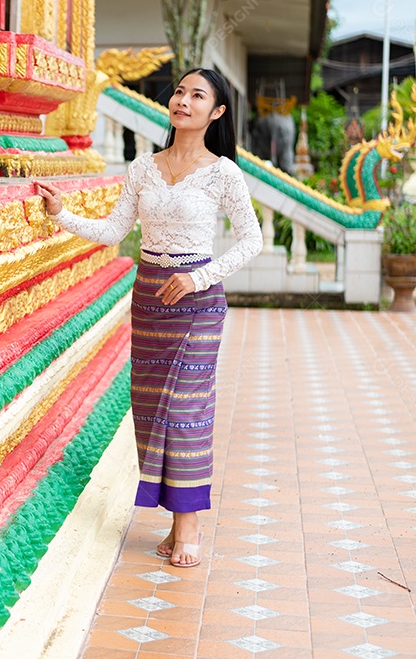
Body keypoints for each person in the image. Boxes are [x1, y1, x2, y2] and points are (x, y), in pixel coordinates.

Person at [34, 68, 262, 568]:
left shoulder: (223, 172)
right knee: (152, 409)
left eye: (196, 95)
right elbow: (116, 228)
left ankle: (189, 523)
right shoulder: (143, 167)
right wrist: (60, 215)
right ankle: (175, 515)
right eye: (179, 91)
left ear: (217, 112)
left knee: (186, 411)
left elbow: (252, 240)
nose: (182, 100)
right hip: (151, 302)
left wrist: (199, 278)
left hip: (198, 304)